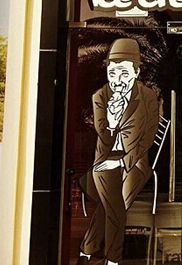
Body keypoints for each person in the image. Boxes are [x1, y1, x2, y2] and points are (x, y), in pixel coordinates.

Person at [77, 38, 159, 265]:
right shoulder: (100, 97)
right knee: (115, 204)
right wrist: (112, 122)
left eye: (124, 73)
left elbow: (148, 137)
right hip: (104, 161)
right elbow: (103, 136)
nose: (117, 81)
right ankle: (113, 260)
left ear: (136, 72)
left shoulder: (147, 96)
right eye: (112, 74)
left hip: (134, 161)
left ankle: (86, 250)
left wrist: (123, 162)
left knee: (112, 205)